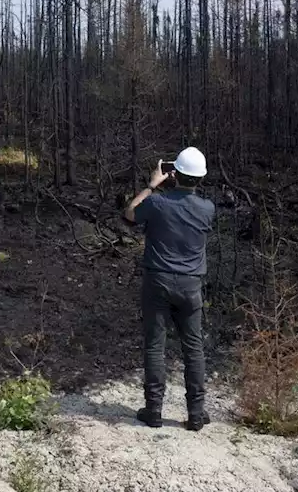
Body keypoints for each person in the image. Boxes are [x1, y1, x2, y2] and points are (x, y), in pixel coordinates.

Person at [122, 146, 215, 431]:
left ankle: (154, 411)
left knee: (155, 346)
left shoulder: (158, 203)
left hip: (158, 281)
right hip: (190, 285)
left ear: (174, 174)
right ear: (199, 178)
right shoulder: (207, 208)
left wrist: (152, 185)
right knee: (194, 348)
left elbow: (129, 213)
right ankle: (196, 414)